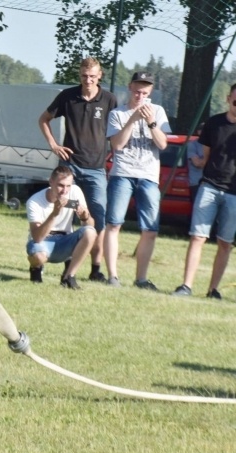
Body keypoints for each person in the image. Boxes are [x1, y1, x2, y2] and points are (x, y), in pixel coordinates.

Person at [38, 57, 117, 283]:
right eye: (84, 76)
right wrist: (53, 145)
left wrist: (114, 150)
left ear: (100, 75)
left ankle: (95, 268)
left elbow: (117, 130)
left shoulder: (109, 100)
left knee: (96, 218)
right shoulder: (67, 96)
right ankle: (61, 259)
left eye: (92, 76)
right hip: (70, 168)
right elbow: (43, 119)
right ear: (79, 75)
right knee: (63, 210)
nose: (88, 80)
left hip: (96, 170)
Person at [103, 71, 171, 290]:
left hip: (149, 176)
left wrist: (151, 122)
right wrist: (132, 119)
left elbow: (162, 144)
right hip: (122, 173)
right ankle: (113, 276)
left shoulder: (158, 111)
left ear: (150, 91)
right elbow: (118, 145)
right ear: (130, 87)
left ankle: (141, 279)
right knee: (114, 224)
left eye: (145, 91)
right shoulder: (117, 113)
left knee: (150, 230)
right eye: (137, 90)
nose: (140, 95)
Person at [172, 84, 236, 300]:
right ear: (228, 99)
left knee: (225, 242)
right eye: (235, 101)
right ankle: (186, 286)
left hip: (234, 193)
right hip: (209, 185)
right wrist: (198, 162)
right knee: (197, 237)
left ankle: (213, 290)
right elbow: (206, 156)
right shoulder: (214, 123)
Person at [25, 166, 96, 289]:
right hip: (43, 241)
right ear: (51, 182)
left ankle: (69, 276)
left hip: (65, 239)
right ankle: (35, 267)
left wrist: (85, 217)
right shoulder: (34, 201)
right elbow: (37, 238)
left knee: (90, 232)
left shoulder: (75, 192)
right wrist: (54, 214)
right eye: (61, 185)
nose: (65, 190)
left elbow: (90, 227)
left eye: (68, 186)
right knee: (38, 257)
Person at [186, 124, 205, 206]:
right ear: (199, 131)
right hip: (197, 183)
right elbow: (197, 163)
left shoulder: (213, 144)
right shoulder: (193, 145)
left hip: (211, 184)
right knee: (198, 209)